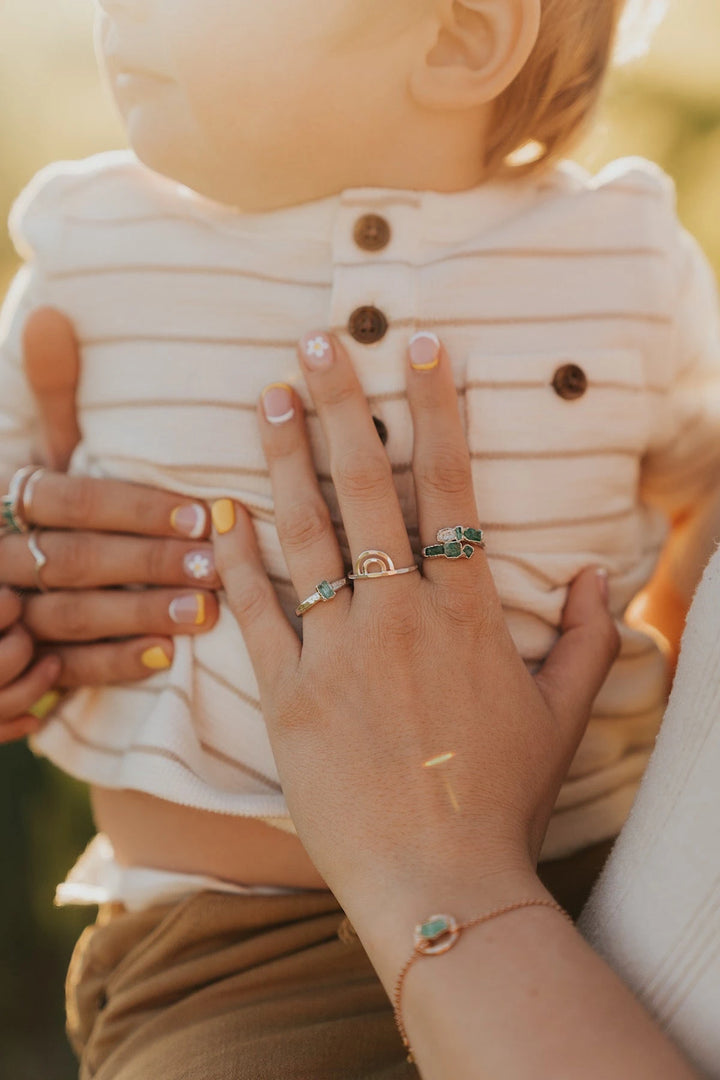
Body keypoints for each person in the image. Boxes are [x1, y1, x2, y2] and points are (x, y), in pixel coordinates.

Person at [0, 0, 719, 1073]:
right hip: (227, 964)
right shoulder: (89, 239)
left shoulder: (630, 258)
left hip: (588, 904)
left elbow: (704, 487)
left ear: (458, 38)